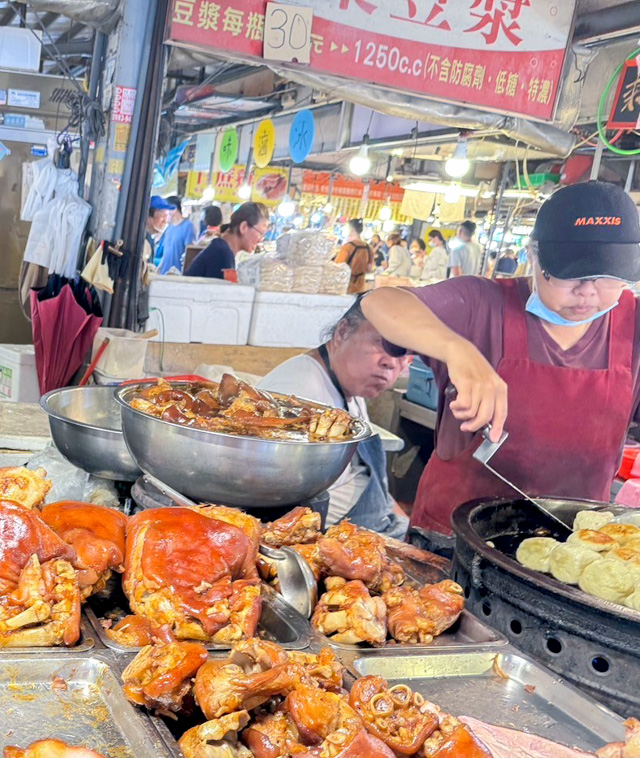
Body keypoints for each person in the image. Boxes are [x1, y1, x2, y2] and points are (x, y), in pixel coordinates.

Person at [360, 180, 640, 547]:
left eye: (607, 277)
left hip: (573, 550)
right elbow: (380, 303)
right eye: (569, 274)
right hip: (454, 542)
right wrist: (459, 351)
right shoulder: (483, 303)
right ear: (535, 256)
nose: (588, 291)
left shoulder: (633, 325)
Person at [259, 300, 411, 537]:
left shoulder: (351, 385)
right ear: (342, 332)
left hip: (372, 527)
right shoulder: (297, 394)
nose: (391, 363)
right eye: (383, 344)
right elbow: (276, 510)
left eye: (404, 354)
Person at [184, 201, 269, 279]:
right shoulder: (221, 254)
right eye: (260, 233)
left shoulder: (221, 249)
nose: (261, 240)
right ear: (244, 227)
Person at [157, 196, 196, 274]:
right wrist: (158, 269)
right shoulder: (169, 229)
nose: (163, 214)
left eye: (165, 210)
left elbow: (190, 253)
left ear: (174, 208)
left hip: (177, 275)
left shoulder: (188, 226)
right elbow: (166, 254)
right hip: (164, 274)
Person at [334, 218, 374, 293]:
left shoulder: (347, 247)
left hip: (346, 286)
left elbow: (338, 267)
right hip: (360, 287)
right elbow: (369, 269)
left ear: (351, 230)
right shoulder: (369, 248)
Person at [145, 195, 175, 263]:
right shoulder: (144, 239)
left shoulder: (150, 238)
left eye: (166, 216)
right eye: (162, 216)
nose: (165, 221)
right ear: (149, 215)